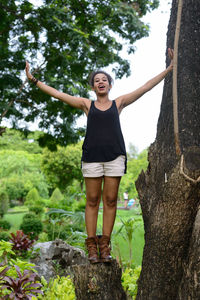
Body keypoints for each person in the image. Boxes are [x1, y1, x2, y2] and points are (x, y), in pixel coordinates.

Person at [25, 48, 174, 263]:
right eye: (97, 80)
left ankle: (105, 246)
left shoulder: (119, 103)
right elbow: (58, 94)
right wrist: (34, 80)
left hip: (115, 157)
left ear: (110, 85)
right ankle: (92, 246)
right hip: (92, 158)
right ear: (93, 86)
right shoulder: (87, 104)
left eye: (104, 79)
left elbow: (145, 88)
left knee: (111, 200)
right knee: (93, 200)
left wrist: (169, 69)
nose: (101, 82)